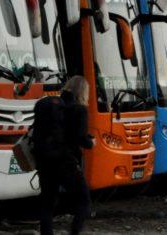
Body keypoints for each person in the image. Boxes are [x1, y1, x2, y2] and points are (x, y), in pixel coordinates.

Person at [33, 76, 94, 235]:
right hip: (65, 162)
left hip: (44, 160)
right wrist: (91, 143)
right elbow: (80, 138)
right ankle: (75, 232)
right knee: (83, 199)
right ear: (83, 92)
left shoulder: (54, 106)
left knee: (47, 202)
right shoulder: (79, 110)